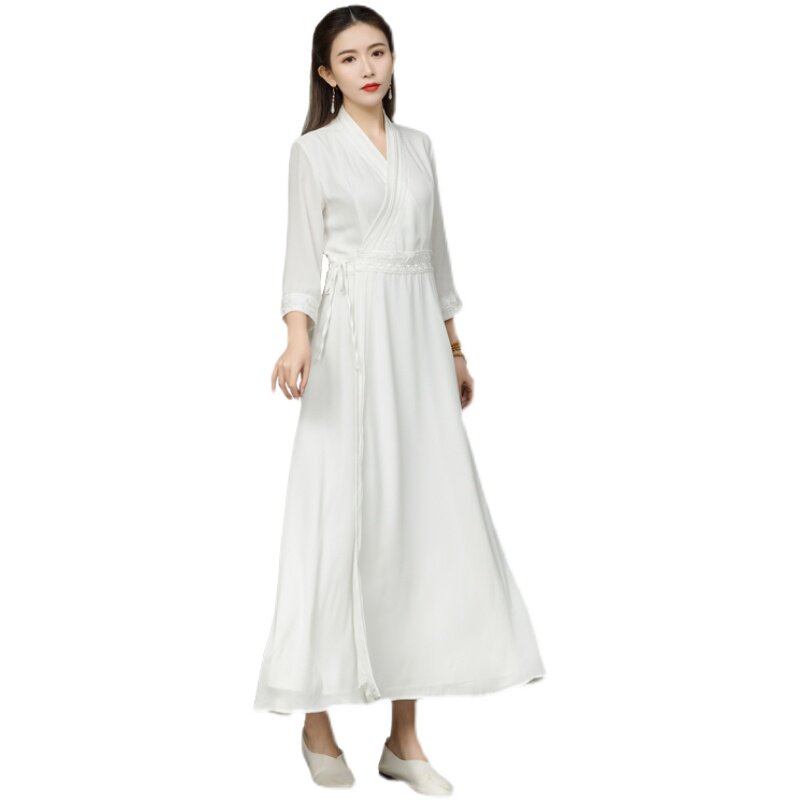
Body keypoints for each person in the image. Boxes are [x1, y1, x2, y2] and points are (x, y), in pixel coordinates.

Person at [254, 6, 546, 793]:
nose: (367, 68)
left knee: (417, 525)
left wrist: (454, 348)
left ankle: (404, 738)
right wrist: (296, 338)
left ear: (393, 59)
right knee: (337, 522)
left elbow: (437, 256)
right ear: (326, 73)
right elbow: (300, 260)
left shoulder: (420, 148)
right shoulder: (313, 152)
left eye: (377, 52)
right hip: (349, 347)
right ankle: (317, 720)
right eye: (349, 58)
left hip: (416, 344)